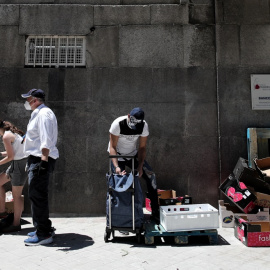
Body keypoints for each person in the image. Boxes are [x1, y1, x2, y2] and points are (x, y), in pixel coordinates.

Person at [21, 88, 59, 246]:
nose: (26, 102)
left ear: (35, 100)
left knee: (37, 197)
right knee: (37, 196)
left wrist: (43, 161)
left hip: (40, 159)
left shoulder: (43, 114)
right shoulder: (40, 113)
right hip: (36, 158)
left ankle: (43, 234)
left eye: (28, 99)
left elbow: (46, 139)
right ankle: (43, 228)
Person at [108, 107, 159, 222]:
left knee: (151, 176)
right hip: (118, 155)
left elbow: (142, 147)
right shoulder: (118, 124)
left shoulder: (143, 126)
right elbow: (112, 147)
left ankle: (156, 213)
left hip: (133, 154)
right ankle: (119, 218)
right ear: (128, 116)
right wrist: (116, 167)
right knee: (118, 182)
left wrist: (140, 166)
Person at [0, 120, 28, 232]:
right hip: (17, 164)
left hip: (19, 166)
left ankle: (16, 224)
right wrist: (1, 154)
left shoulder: (6, 136)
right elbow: (14, 151)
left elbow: (11, 156)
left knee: (17, 196)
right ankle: (2, 212)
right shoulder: (12, 133)